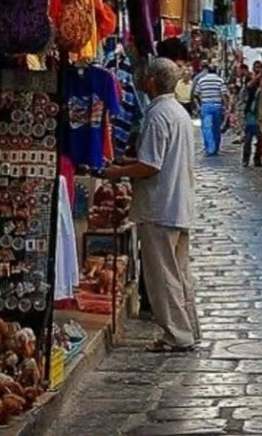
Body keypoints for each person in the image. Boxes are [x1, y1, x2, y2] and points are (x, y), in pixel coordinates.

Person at [105, 58, 200, 352]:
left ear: (151, 81)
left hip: (161, 206)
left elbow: (151, 165)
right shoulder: (178, 113)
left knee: (163, 276)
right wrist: (128, 163)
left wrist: (116, 172)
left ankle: (176, 335)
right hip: (178, 204)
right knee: (180, 274)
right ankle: (188, 329)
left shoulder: (158, 115)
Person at [193, 65, 227, 155]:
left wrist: (198, 107)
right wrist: (226, 107)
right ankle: (216, 149)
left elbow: (195, 95)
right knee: (216, 128)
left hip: (205, 106)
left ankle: (209, 149)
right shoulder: (220, 80)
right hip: (217, 106)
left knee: (206, 128)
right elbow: (223, 94)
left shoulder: (201, 80)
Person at [241, 61, 262, 166]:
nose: (258, 69)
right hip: (251, 111)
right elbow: (249, 85)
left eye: (260, 67)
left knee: (260, 138)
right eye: (256, 67)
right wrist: (260, 76)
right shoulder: (250, 78)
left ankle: (257, 159)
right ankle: (246, 158)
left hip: (261, 112)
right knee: (249, 137)